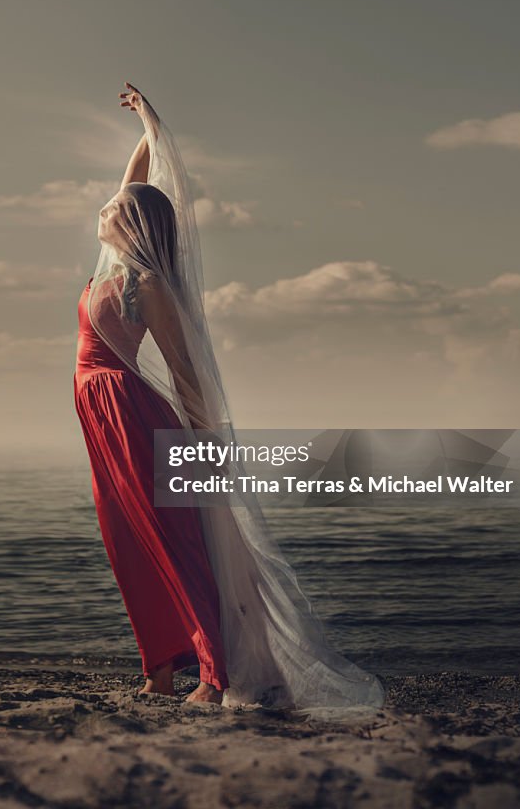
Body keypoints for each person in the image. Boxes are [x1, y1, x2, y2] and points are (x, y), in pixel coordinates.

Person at [74, 83, 387, 720]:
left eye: (115, 210)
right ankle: (158, 672)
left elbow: (186, 368)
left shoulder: (144, 283)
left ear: (130, 224)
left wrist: (201, 441)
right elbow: (131, 186)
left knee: (174, 542)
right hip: (98, 417)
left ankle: (214, 675)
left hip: (131, 415)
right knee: (127, 545)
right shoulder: (109, 264)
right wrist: (149, 130)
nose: (102, 212)